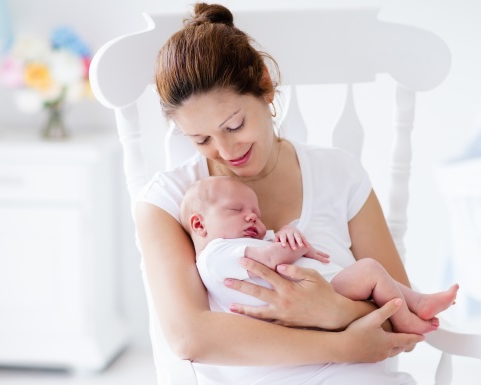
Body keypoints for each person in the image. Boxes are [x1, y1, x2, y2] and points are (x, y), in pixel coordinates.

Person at [137, 2, 426, 384]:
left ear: (266, 86)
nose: (226, 152)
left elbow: (400, 315)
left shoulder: (339, 175)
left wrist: (332, 310)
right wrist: (341, 342)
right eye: (201, 139)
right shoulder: (168, 201)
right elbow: (191, 337)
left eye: (234, 125)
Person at [182, 175, 459, 337]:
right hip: (319, 292)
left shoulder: (245, 241)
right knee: (371, 271)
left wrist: (288, 232)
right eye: (236, 210)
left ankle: (418, 302)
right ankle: (406, 319)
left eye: (256, 212)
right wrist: (295, 246)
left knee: (374, 276)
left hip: (322, 291)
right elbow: (269, 259)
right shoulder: (216, 254)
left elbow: (277, 247)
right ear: (199, 224)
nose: (252, 215)